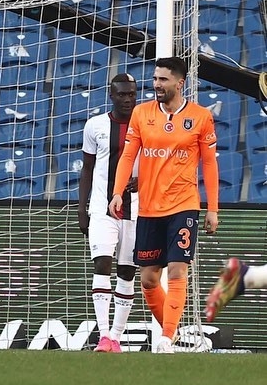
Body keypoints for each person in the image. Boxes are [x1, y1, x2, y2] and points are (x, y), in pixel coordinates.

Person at [108, 57, 219, 354]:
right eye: (155, 78)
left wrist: (212, 208)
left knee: (178, 271)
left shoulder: (200, 117)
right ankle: (173, 332)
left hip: (184, 204)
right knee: (148, 279)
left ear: (179, 83)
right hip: (149, 207)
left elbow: (209, 163)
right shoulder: (142, 114)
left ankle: (166, 339)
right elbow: (128, 156)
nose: (156, 84)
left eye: (163, 79)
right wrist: (118, 192)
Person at [78, 74, 139, 353]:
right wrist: (82, 207)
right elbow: (87, 168)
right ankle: (103, 335)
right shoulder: (96, 125)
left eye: (132, 94)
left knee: (127, 271)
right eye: (122, 94)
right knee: (102, 264)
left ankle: (116, 336)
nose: (127, 99)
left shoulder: (147, 123)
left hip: (139, 208)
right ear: (111, 95)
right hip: (102, 207)